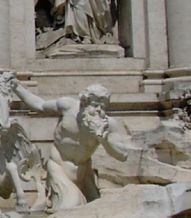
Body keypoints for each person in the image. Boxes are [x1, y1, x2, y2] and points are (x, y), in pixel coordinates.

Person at [10, 78, 130, 207]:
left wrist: (103, 139)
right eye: (95, 105)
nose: (99, 110)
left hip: (84, 174)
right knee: (71, 205)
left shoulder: (108, 124)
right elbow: (40, 105)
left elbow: (122, 155)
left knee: (97, 209)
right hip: (59, 168)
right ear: (84, 102)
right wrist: (17, 87)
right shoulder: (67, 107)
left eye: (102, 106)